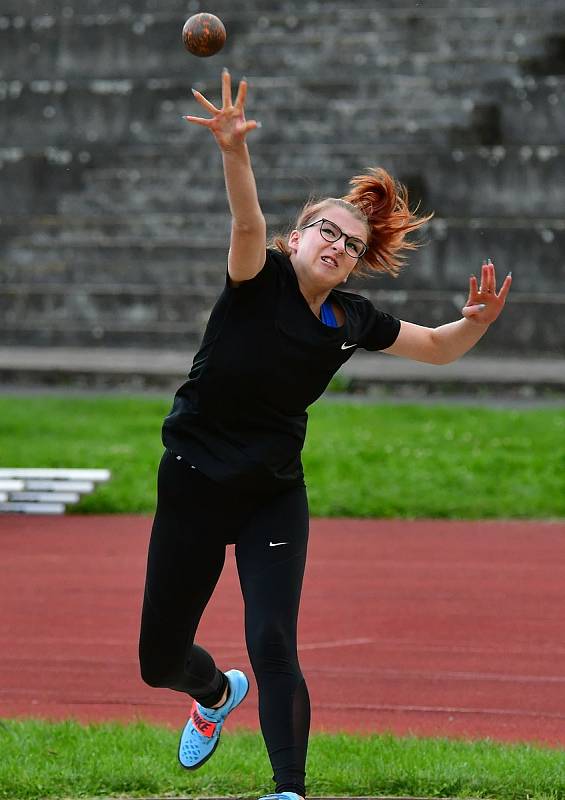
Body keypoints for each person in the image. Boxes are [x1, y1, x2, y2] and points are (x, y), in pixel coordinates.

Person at [138, 69, 512, 800]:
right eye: (326, 231)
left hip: (270, 492)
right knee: (157, 661)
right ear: (298, 236)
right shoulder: (258, 275)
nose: (337, 246)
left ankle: (288, 790)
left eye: (350, 243)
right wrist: (232, 150)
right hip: (192, 479)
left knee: (274, 639)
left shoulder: (352, 319)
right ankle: (214, 694)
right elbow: (245, 222)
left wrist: (476, 324)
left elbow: (435, 347)